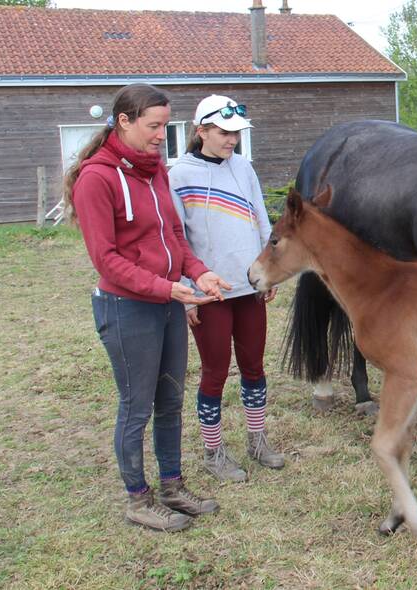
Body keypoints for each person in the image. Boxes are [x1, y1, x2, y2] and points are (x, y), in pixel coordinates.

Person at [63, 84, 231, 531]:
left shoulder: (155, 169)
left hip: (167, 302)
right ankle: (138, 499)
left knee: (171, 399)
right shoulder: (96, 179)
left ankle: (173, 486)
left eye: (164, 125)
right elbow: (106, 260)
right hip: (127, 308)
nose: (162, 135)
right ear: (125, 121)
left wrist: (198, 272)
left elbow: (174, 234)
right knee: (137, 405)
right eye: (154, 126)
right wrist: (164, 287)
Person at [168, 95, 283, 483]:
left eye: (236, 133)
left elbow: (262, 221)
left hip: (249, 288)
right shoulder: (178, 175)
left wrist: (270, 273)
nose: (232, 140)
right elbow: (176, 237)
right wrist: (186, 293)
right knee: (215, 372)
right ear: (201, 131)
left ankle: (257, 440)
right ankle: (213, 451)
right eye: (224, 132)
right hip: (208, 293)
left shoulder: (244, 169)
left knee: (254, 367)